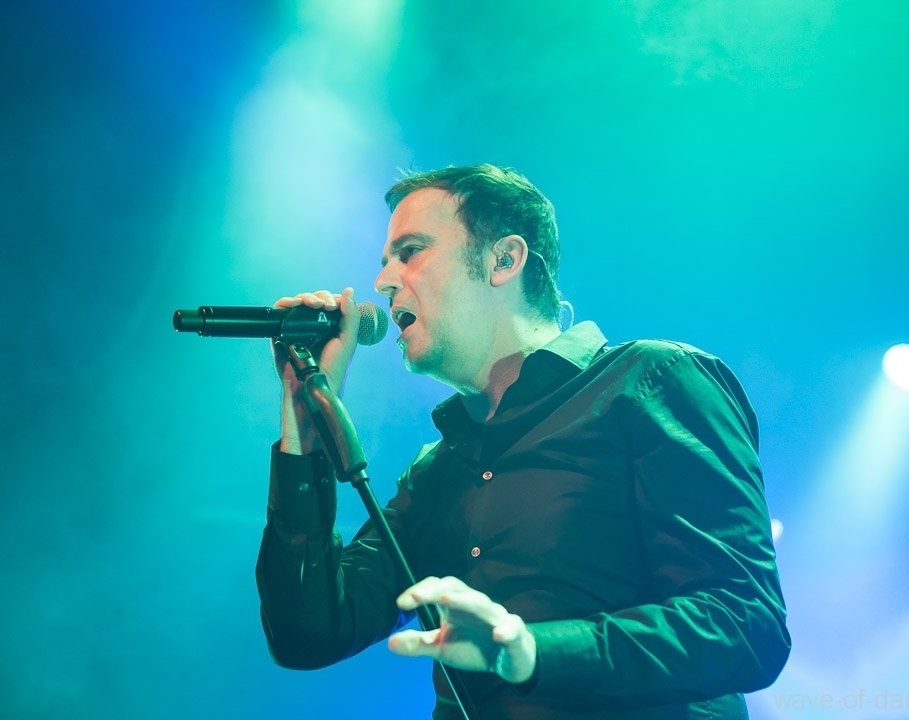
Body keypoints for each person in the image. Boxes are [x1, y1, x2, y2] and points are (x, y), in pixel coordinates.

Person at [256, 164, 790, 719]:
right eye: (386, 261)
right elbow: (307, 635)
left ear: (504, 260)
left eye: (409, 252)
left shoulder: (651, 381)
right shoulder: (437, 472)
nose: (383, 282)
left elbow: (746, 623)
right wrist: (305, 428)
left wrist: (532, 649)